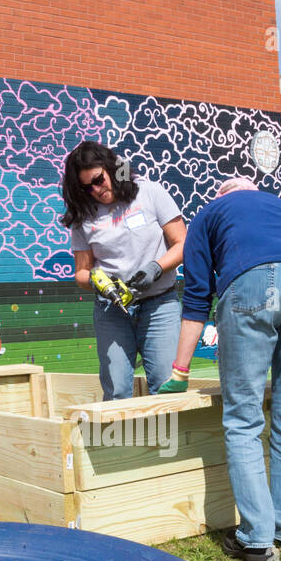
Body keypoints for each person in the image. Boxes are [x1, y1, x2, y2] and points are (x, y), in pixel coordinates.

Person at [159, 176, 281, 561]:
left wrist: (180, 371)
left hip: (252, 282)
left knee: (243, 418)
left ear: (222, 196)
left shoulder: (208, 214)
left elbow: (197, 300)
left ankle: (255, 540)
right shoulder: (279, 206)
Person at [62, 141, 186, 399]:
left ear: (111, 167)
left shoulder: (149, 192)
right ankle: (123, 440)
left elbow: (183, 243)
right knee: (117, 390)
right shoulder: (84, 215)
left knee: (165, 388)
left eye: (98, 179)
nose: (95, 190)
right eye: (87, 187)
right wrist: (98, 283)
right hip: (112, 311)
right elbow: (82, 273)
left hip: (159, 305)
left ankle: (165, 440)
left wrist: (156, 268)